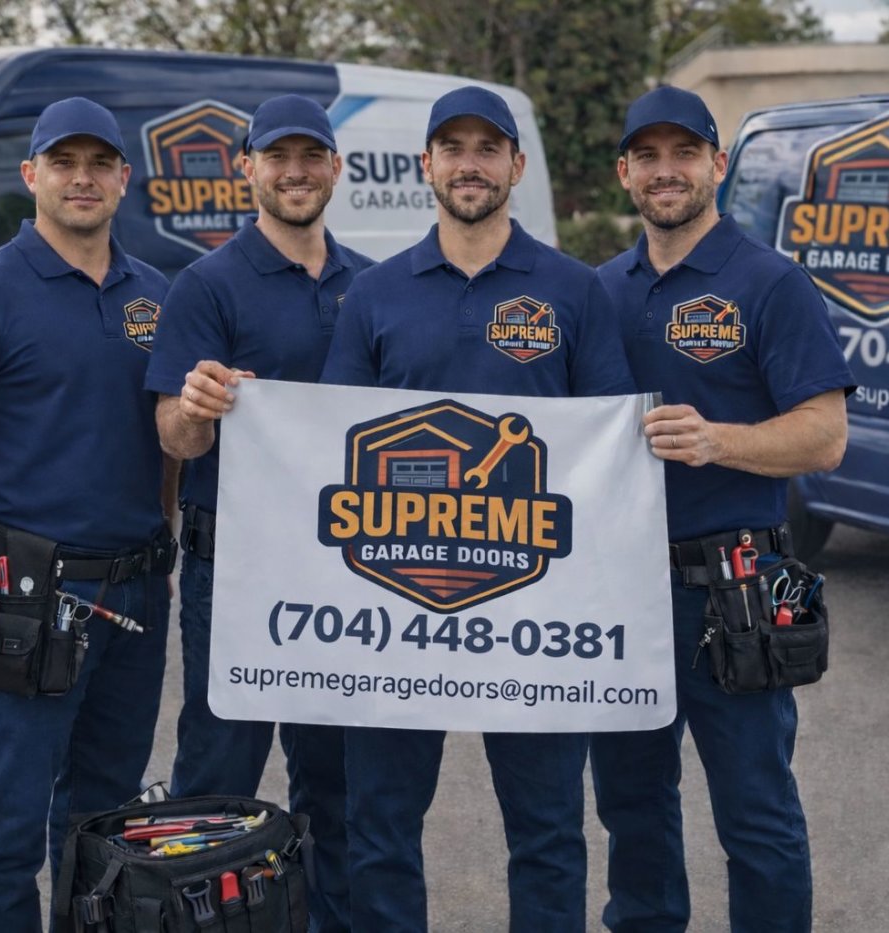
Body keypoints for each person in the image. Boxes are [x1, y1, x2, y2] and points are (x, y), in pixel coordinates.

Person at [320, 85, 635, 933]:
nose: (469, 163)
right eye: (451, 147)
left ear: (516, 165)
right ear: (426, 164)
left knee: (546, 832)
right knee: (380, 828)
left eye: (487, 148)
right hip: (396, 608)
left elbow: (610, 451)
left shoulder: (573, 291)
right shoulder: (375, 295)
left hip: (536, 610)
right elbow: (326, 447)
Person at [0, 97, 177, 932]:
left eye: (101, 164)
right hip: (26, 597)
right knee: (3, 825)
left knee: (105, 824)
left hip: (133, 594)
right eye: (64, 163)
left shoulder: (157, 295)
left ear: (125, 179)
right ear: (32, 177)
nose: (83, 178)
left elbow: (167, 440)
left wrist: (160, 539)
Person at [588, 86, 854, 933]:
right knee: (632, 809)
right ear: (626, 172)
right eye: (650, 157)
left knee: (756, 815)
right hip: (617, 595)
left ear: (717, 165)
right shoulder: (595, 292)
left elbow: (825, 436)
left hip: (733, 589)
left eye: (686, 154)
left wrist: (718, 441)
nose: (668, 172)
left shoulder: (770, 282)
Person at [144, 94, 373, 933]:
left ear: (336, 168)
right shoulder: (206, 285)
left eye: (312, 155)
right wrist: (196, 410)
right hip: (235, 574)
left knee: (337, 777)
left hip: (346, 572)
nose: (296, 171)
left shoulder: (371, 286)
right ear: (247, 168)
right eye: (278, 156)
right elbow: (174, 433)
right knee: (218, 774)